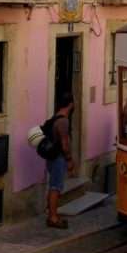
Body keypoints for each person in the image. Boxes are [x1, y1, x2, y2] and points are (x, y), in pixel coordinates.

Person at [45, 93, 76, 229]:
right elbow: (64, 143)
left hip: (52, 158)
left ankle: (52, 215)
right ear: (70, 104)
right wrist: (69, 159)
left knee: (54, 187)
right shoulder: (63, 121)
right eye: (73, 102)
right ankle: (53, 218)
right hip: (58, 159)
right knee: (55, 188)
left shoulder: (55, 118)